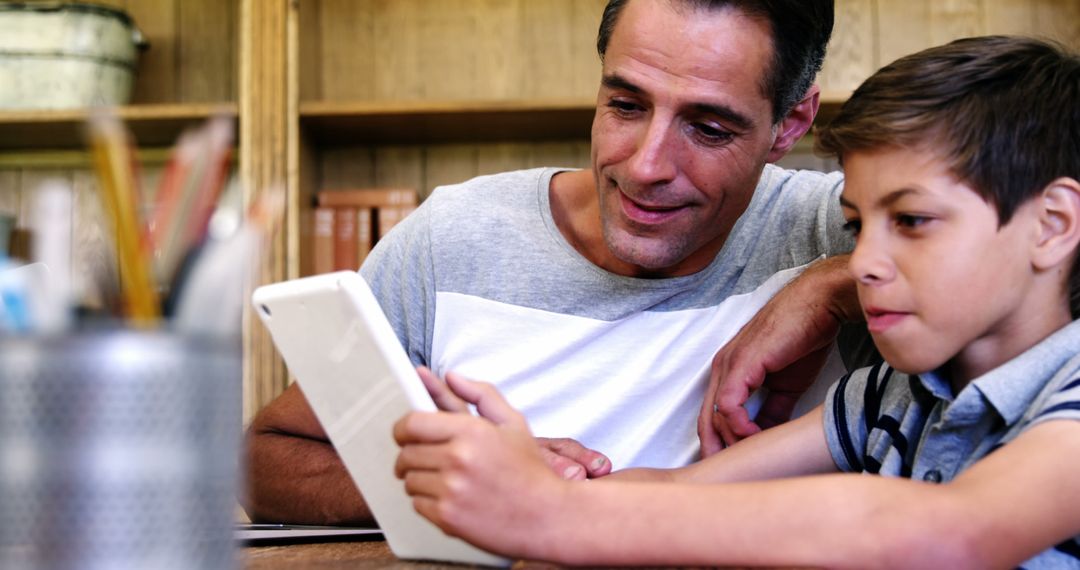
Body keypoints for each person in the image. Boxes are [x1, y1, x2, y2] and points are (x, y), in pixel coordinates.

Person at [393, 35, 1080, 567]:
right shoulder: (885, 399)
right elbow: (681, 492)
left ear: (1052, 226)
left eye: (910, 222)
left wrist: (552, 514)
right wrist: (525, 478)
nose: (862, 263)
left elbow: (950, 536)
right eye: (855, 225)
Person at [244, 0, 866, 525]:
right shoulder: (452, 239)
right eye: (626, 105)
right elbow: (264, 460)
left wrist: (833, 283)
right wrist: (455, 483)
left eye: (707, 128)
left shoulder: (851, 227)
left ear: (791, 123)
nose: (647, 168)